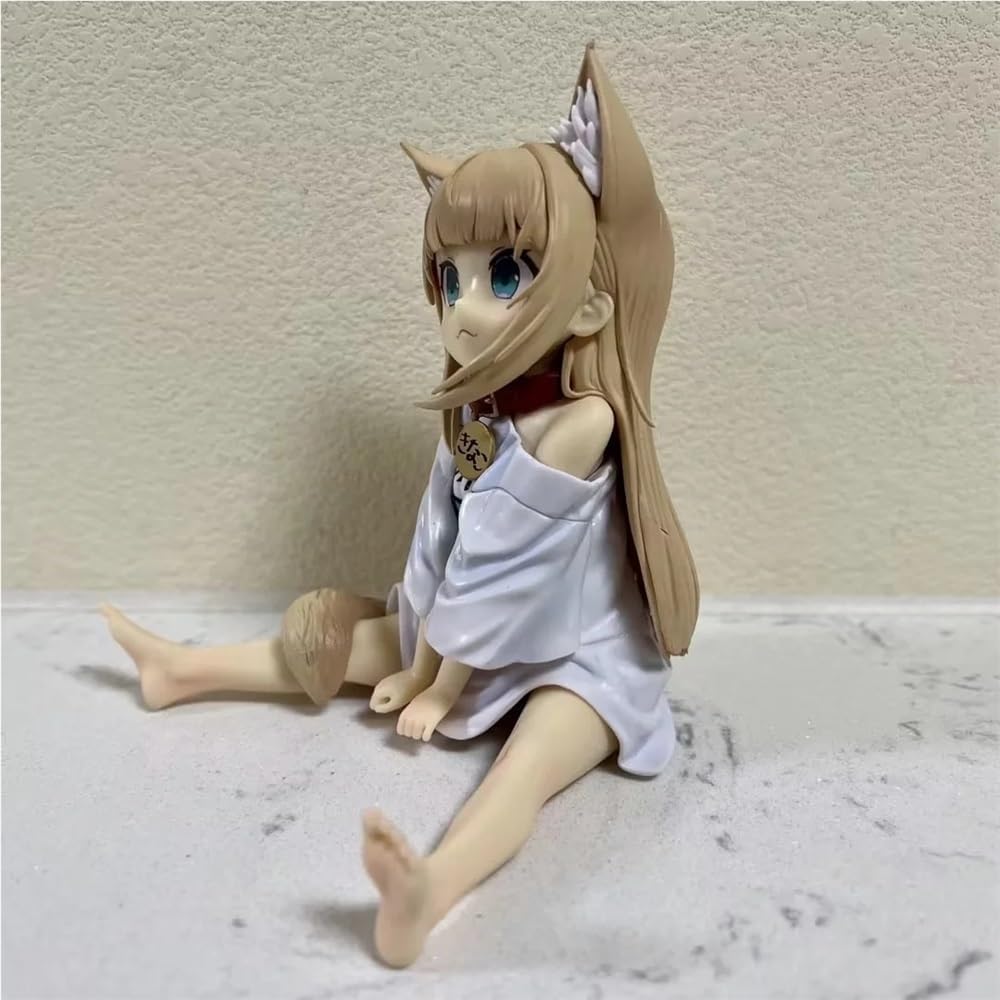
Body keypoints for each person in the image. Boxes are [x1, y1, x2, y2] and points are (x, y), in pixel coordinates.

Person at [103, 43, 699, 968]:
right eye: (451, 279)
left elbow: (505, 572)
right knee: (354, 642)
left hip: (579, 651)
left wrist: (438, 683)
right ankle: (183, 670)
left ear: (587, 307)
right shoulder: (481, 408)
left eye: (506, 276)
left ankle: (429, 889)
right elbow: (440, 542)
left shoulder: (578, 423)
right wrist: (419, 649)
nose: (465, 308)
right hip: (462, 626)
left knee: (526, 769)